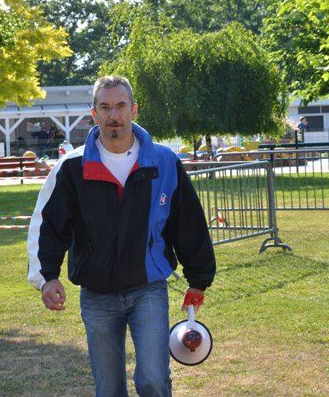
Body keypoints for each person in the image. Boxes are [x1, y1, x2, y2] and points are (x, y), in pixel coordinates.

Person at [27, 75, 216, 397]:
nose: (114, 115)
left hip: (149, 290)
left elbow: (188, 224)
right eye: (105, 107)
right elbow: (49, 224)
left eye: (120, 106)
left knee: (153, 381)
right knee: (110, 388)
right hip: (97, 295)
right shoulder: (71, 167)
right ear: (94, 114)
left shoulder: (164, 162)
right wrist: (46, 276)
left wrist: (198, 278)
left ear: (134, 110)